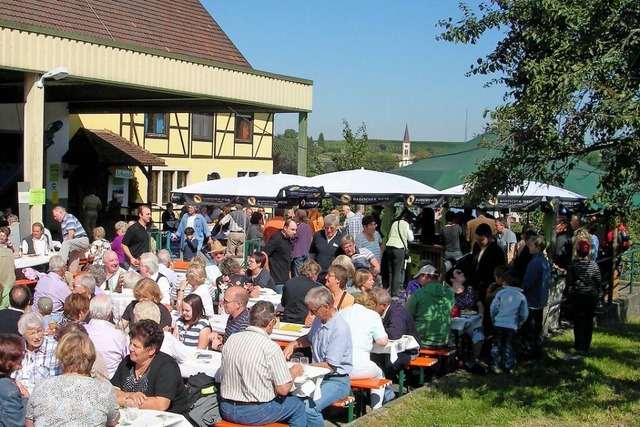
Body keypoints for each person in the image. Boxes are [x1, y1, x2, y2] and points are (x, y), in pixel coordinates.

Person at [219, 300, 306, 427]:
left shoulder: (231, 340)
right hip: (256, 411)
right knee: (298, 406)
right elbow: (283, 389)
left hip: (226, 407)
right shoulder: (270, 347)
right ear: (271, 323)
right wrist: (294, 371)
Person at [283, 286, 353, 427]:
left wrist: (303, 367)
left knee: (309, 408)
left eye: (313, 310)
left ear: (325, 307)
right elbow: (309, 338)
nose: (311, 314)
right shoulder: (319, 320)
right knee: (290, 401)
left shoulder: (339, 329)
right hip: (317, 377)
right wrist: (294, 344)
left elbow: (330, 366)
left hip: (336, 380)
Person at [26, 331, 119, 426]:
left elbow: (29, 423)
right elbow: (113, 421)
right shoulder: (104, 388)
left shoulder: (41, 386)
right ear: (91, 358)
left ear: (61, 357)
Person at [111, 319, 190, 415]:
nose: (131, 348)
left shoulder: (167, 366)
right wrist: (130, 395)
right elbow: (111, 390)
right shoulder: (127, 362)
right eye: (131, 343)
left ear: (152, 350)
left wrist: (126, 402)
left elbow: (161, 404)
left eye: (136, 346)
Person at [339, 291, 393, 409]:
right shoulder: (373, 316)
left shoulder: (342, 313)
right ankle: (377, 407)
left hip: (340, 366)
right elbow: (382, 341)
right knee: (379, 373)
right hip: (359, 367)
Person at [372, 288, 421, 378]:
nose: (370, 307)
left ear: (383, 305)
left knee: (379, 360)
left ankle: (384, 386)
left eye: (373, 305)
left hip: (408, 351)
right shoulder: (385, 310)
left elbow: (395, 334)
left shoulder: (397, 313)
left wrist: (375, 332)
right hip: (391, 350)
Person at [566, 240, 603, 356]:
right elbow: (598, 281)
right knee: (588, 320)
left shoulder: (573, 265)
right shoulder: (593, 265)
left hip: (578, 295)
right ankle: (586, 344)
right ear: (589, 251)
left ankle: (578, 344)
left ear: (577, 251)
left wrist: (569, 295)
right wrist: (599, 295)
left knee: (578, 320)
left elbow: (570, 282)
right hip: (591, 295)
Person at [490, 268, 529, 374]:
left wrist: (494, 318)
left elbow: (493, 308)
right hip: (512, 324)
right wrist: (520, 321)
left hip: (499, 323)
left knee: (496, 345)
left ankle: (494, 364)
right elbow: (524, 312)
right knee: (509, 346)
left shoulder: (501, 293)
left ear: (504, 281)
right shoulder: (521, 296)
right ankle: (508, 365)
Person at [445, 267, 485, 365]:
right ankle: (453, 361)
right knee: (451, 338)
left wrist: (480, 319)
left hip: (471, 322)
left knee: (478, 335)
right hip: (453, 324)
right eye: (458, 273)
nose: (462, 273)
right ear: (452, 279)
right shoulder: (447, 293)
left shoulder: (470, 290)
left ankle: (475, 361)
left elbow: (480, 306)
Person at [407, 266, 454, 348]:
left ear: (425, 276)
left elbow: (408, 316)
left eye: (419, 277)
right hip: (444, 339)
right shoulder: (449, 293)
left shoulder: (418, 294)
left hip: (422, 339)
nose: (418, 280)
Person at [520, 235, 551, 358]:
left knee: (530, 327)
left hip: (532, 298)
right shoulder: (544, 261)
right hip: (541, 298)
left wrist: (521, 289)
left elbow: (528, 282)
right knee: (537, 326)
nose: (529, 248)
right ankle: (536, 348)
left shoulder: (534, 263)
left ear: (537, 247)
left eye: (531, 246)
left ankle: (529, 350)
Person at [84, 295, 128, 378]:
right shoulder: (118, 335)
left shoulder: (82, 331)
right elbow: (125, 357)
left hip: (87, 378)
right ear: (109, 313)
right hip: (111, 380)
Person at [14, 312, 61, 387]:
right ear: (23, 334)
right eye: (32, 333)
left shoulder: (53, 347)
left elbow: (55, 381)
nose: (37, 337)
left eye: (39, 331)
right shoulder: (17, 346)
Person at [209, 285, 250, 352]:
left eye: (226, 301)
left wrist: (219, 346)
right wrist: (220, 339)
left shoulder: (245, 324)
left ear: (238, 304)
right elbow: (229, 341)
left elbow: (237, 351)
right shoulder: (232, 317)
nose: (222, 304)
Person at [384, 210, 414, 297]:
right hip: (399, 248)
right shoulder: (406, 225)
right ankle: (395, 292)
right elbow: (411, 238)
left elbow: (389, 235)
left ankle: (389, 290)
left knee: (390, 271)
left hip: (389, 246)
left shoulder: (394, 223)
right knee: (397, 271)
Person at [281, 260, 322, 325]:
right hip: (305, 322)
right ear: (314, 275)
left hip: (286, 320)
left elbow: (283, 303)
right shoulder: (316, 287)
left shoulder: (288, 283)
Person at [263, 218, 297, 293]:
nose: (294, 232)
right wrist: (267, 269)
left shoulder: (288, 240)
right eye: (292, 229)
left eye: (295, 230)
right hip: (277, 280)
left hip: (285, 280)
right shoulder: (277, 238)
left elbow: (287, 259)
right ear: (285, 228)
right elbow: (264, 253)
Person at [0, 334, 27, 427]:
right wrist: (25, 398)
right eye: (20, 354)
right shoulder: (8, 390)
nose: (23, 357)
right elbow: (19, 423)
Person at [309, 213, 345, 283]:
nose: (328, 230)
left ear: (337, 227)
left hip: (334, 276)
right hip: (318, 275)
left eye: (332, 228)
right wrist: (312, 270)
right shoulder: (318, 235)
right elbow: (312, 254)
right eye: (326, 227)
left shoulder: (342, 238)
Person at [291, 209, 313, 277]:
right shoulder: (309, 227)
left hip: (298, 253)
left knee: (298, 273)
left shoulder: (299, 228)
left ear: (298, 217)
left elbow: (294, 239)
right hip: (307, 252)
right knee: (306, 272)